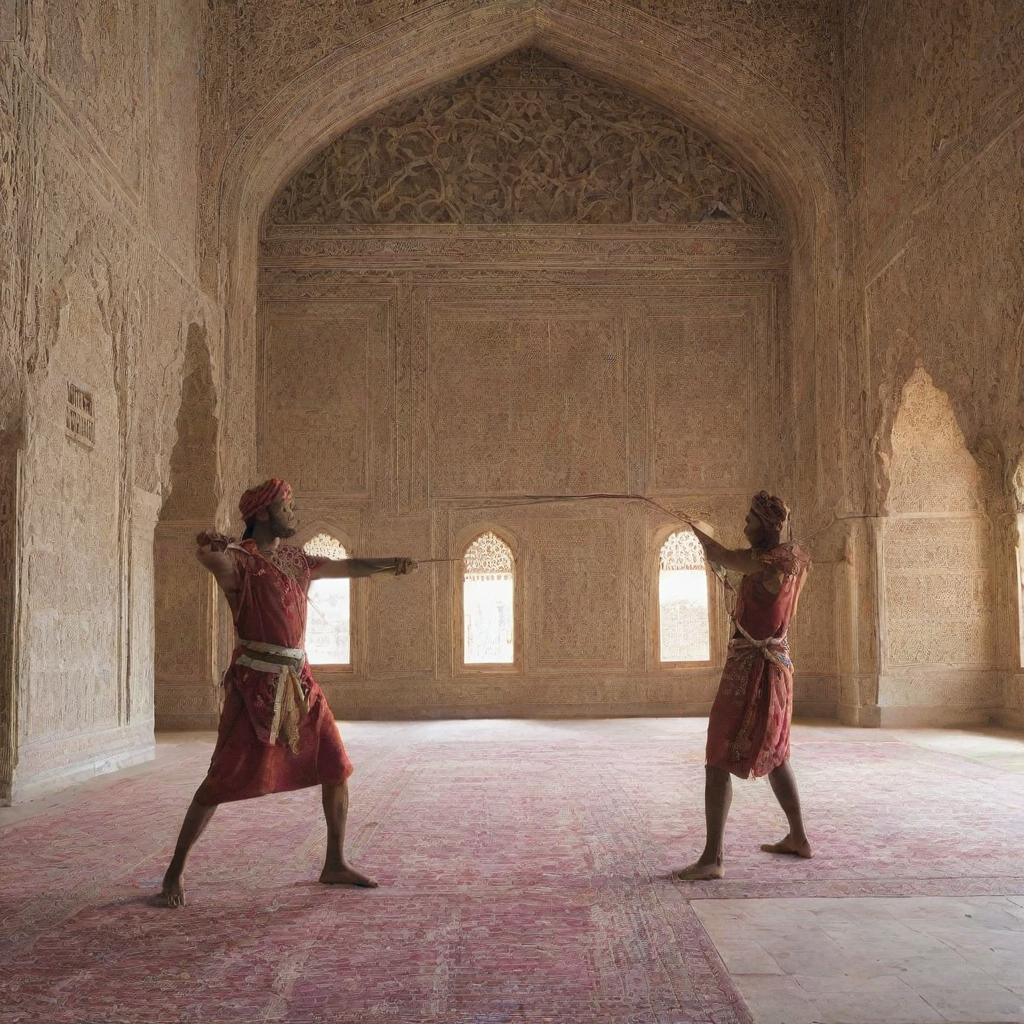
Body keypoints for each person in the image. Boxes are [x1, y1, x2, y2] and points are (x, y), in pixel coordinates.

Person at [159, 478, 415, 907]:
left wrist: (392, 563)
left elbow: (348, 567)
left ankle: (334, 861)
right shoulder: (241, 563)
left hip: (300, 682)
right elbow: (209, 559)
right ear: (262, 514)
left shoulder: (297, 560)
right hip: (256, 688)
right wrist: (211, 546)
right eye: (287, 506)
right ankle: (174, 871)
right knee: (220, 780)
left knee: (335, 765)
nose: (293, 514)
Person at [676, 491, 811, 881]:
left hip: (752, 668)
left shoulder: (765, 562)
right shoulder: (798, 559)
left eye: (750, 520)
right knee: (777, 752)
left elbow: (722, 556)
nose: (744, 526)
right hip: (779, 663)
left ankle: (712, 858)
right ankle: (798, 837)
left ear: (767, 526)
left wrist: (696, 532)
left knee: (718, 754)